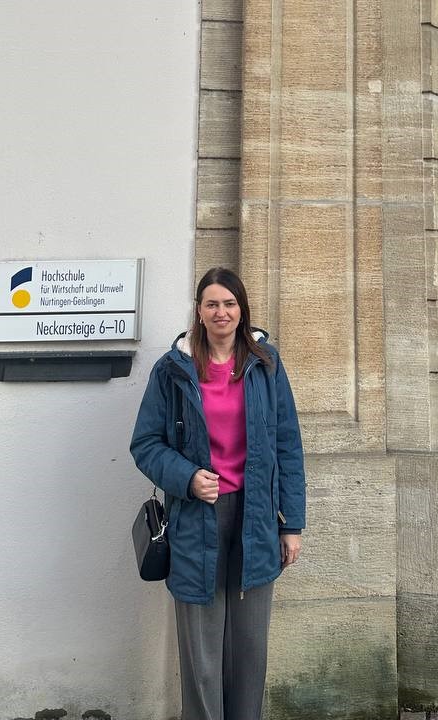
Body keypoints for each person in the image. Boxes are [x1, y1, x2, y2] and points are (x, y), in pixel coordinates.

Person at [130, 266, 306, 720]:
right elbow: (145, 444)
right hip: (196, 518)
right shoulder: (173, 370)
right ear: (199, 311)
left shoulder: (265, 365)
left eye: (229, 303)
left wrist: (292, 524)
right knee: (202, 651)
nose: (221, 312)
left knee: (249, 646)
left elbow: (288, 444)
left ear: (242, 309)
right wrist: (187, 476)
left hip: (256, 517)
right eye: (212, 304)